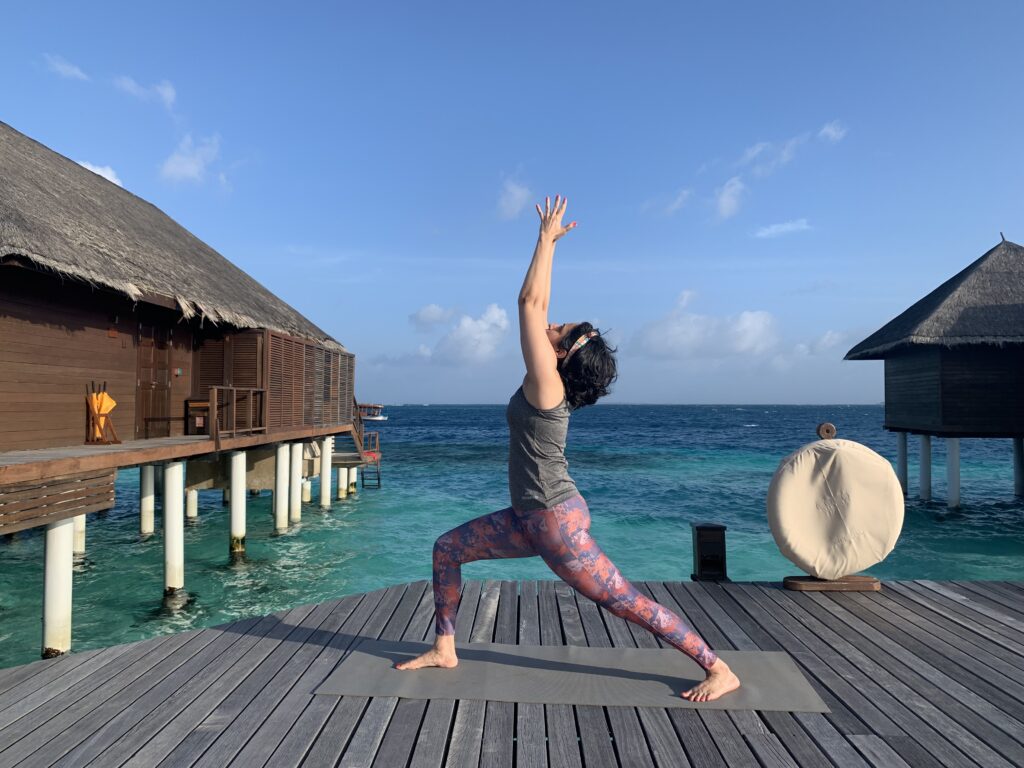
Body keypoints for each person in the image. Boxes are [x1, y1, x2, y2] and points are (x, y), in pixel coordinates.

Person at [397, 195, 740, 702]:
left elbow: (528, 306)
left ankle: (718, 668)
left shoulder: (548, 388)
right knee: (447, 548)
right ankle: (445, 647)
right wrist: (550, 250)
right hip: (529, 519)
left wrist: (544, 240)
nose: (550, 325)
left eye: (558, 330)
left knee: (624, 601)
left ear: (561, 354)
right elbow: (536, 313)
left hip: (556, 524)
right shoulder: (548, 384)